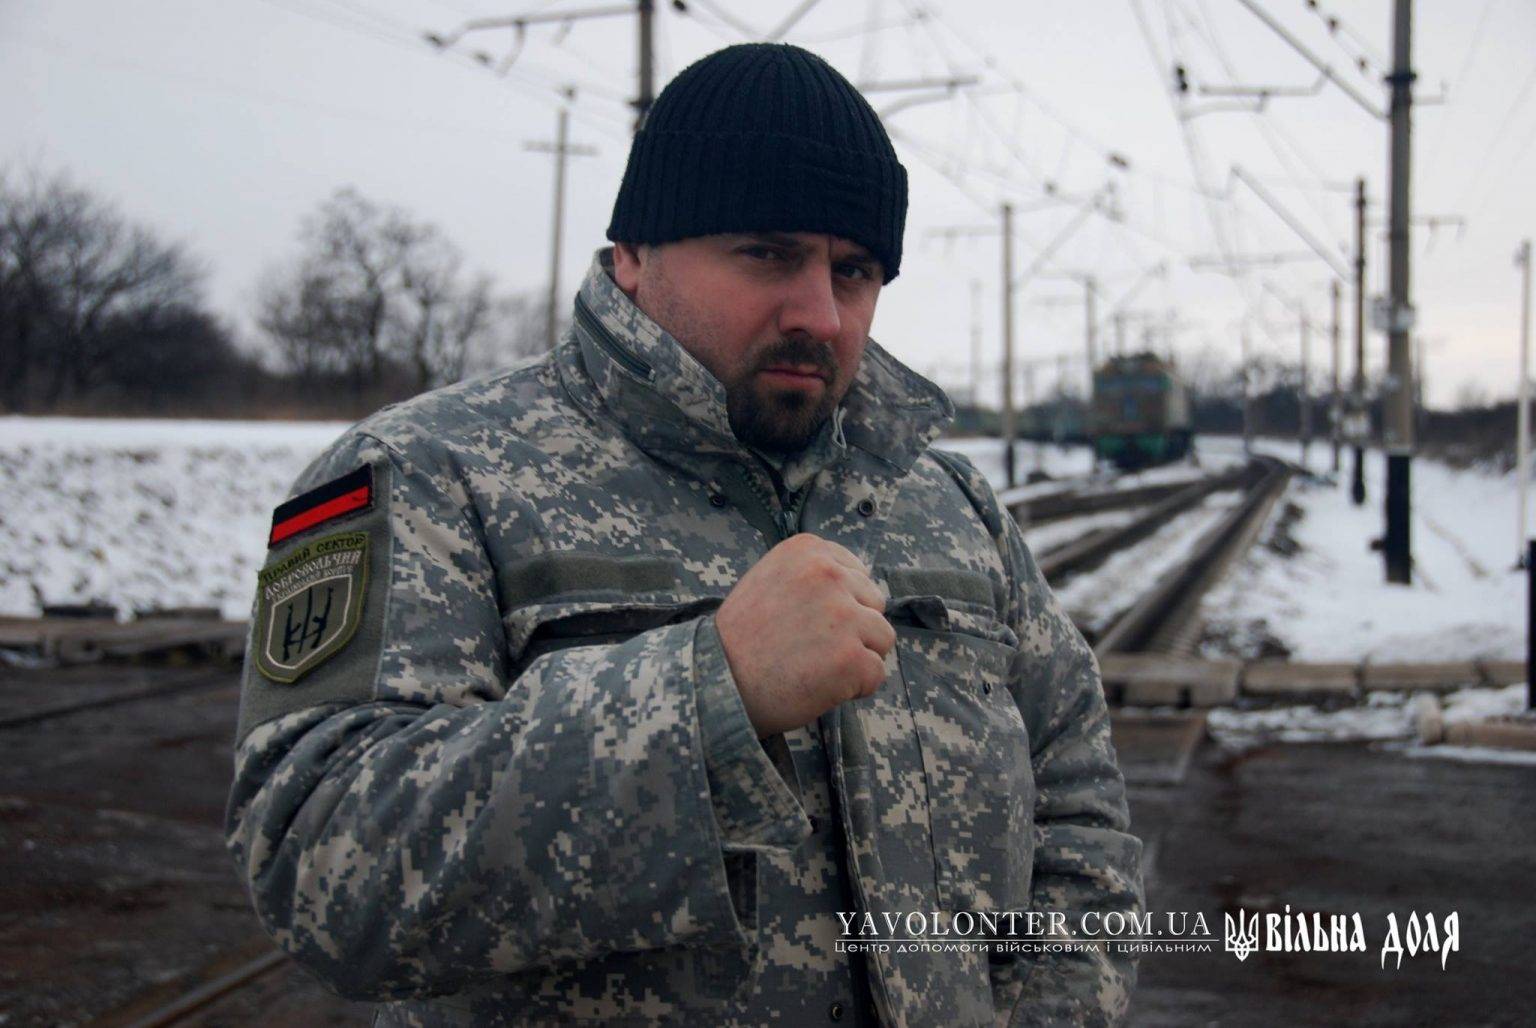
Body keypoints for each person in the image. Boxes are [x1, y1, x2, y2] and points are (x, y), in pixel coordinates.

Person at [226, 42, 1142, 1027]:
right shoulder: (425, 474)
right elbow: (321, 865)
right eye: (769, 252)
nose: (822, 313)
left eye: (856, 268)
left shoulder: (954, 507)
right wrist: (709, 695)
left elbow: (1081, 817)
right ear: (634, 253)